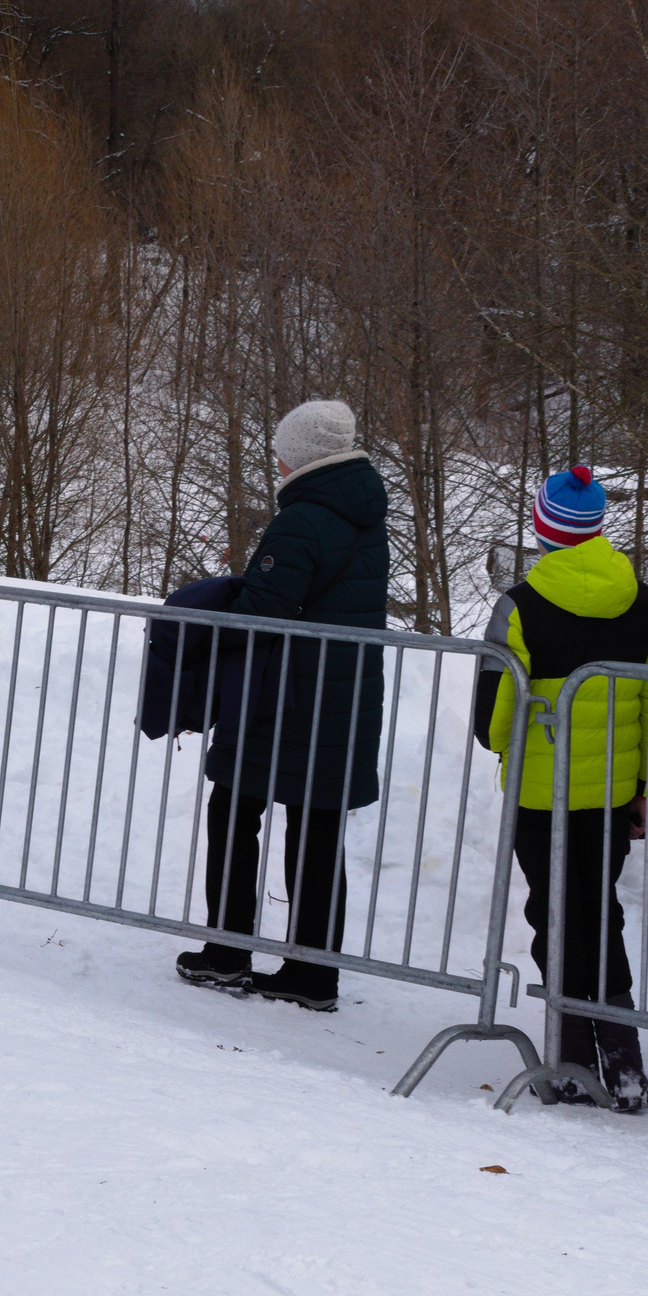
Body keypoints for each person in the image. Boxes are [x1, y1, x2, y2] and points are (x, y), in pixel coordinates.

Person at [475, 466, 648, 1111]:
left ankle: (568, 1062)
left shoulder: (520, 604)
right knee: (598, 909)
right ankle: (622, 1062)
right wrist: (647, 781)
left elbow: (493, 714)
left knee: (554, 912)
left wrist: (504, 740)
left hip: (542, 792)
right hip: (615, 792)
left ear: (541, 528)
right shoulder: (641, 600)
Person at [175, 399, 388, 1013]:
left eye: (282, 452)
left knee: (234, 808)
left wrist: (210, 615)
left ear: (300, 457)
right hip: (344, 695)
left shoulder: (302, 519)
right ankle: (313, 972)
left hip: (284, 696)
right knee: (318, 829)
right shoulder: (364, 512)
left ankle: (227, 950)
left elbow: (266, 609)